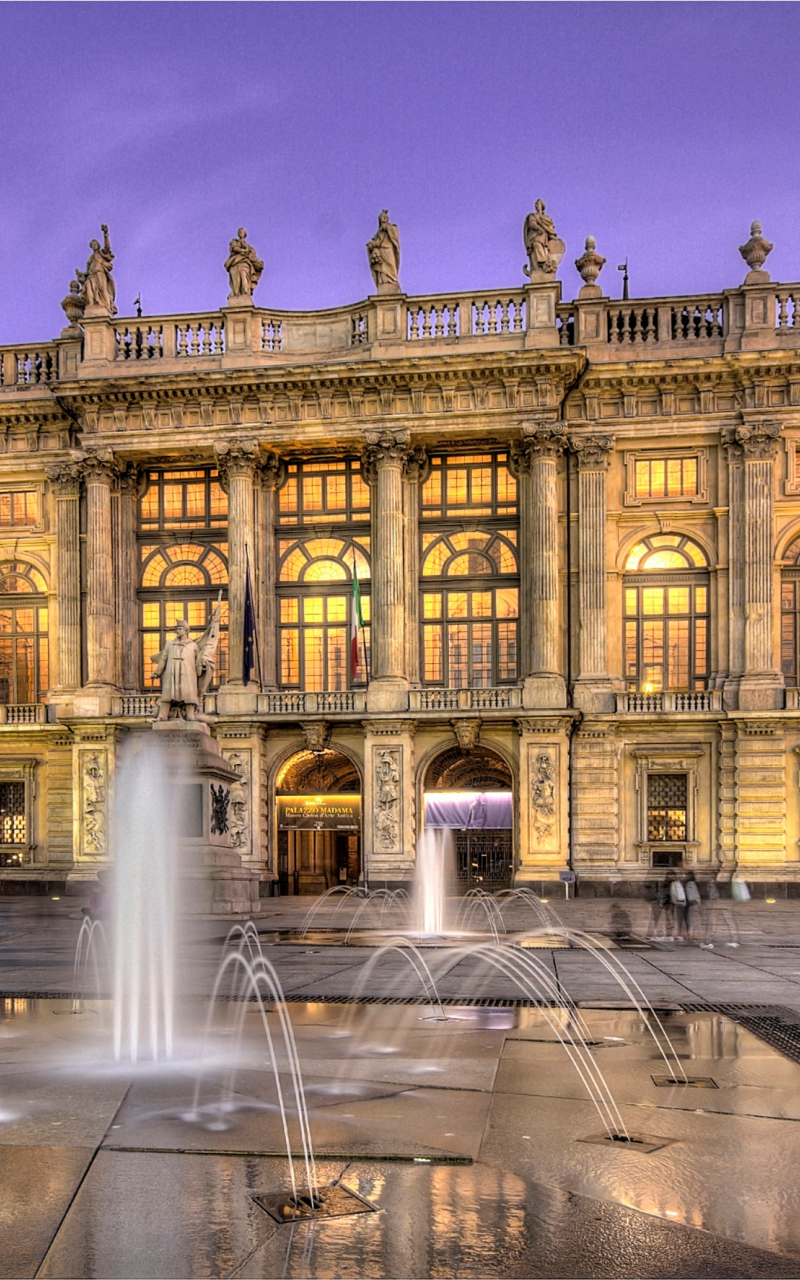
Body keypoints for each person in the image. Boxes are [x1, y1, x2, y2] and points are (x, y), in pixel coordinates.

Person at [83, 224, 116, 314]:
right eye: (92, 245)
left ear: (98, 245)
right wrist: (82, 275)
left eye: (95, 244)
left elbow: (107, 247)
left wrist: (105, 234)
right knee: (90, 288)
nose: (94, 246)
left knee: (103, 288)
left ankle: (106, 305)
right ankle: (92, 304)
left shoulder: (101, 253)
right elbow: (88, 269)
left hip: (100, 272)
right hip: (91, 275)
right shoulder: (91, 258)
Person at [366, 210, 401, 291]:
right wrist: (371, 245)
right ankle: (384, 282)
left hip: (388, 248)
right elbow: (376, 241)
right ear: (380, 219)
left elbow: (394, 233)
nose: (384, 218)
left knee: (391, 265)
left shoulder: (391, 226)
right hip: (381, 250)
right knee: (382, 267)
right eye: (383, 217)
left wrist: (387, 228)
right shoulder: (378, 232)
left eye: (386, 217)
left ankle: (392, 281)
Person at [224, 228, 264, 298]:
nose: (240, 233)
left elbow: (252, 255)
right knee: (236, 280)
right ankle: (236, 293)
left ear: (245, 234)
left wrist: (257, 261)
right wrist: (243, 251)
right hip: (234, 263)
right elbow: (234, 248)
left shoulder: (248, 246)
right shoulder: (235, 241)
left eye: (242, 232)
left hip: (245, 263)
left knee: (244, 277)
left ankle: (245, 293)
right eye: (239, 232)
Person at [681, 871, 701, 939]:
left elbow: (691, 894)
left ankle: (689, 932)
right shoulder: (691, 883)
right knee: (688, 918)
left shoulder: (690, 883)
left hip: (689, 902)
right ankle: (689, 932)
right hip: (689, 902)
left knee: (689, 918)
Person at [668, 872, 685, 940]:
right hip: (678, 903)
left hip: (676, 903)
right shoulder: (678, 883)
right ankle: (676, 934)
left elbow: (674, 894)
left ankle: (676, 934)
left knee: (676, 919)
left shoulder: (675, 883)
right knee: (676, 919)